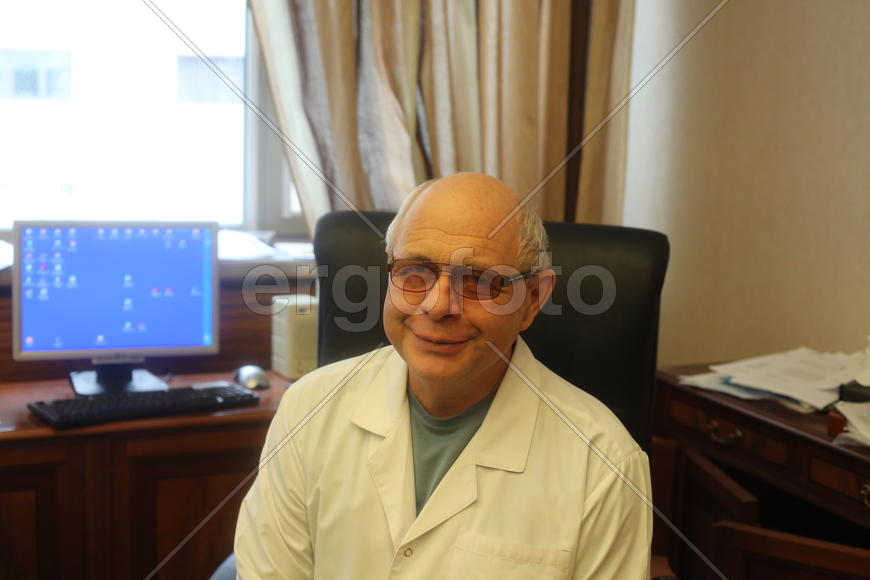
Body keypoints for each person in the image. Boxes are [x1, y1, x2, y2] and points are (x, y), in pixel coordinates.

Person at [234, 173, 652, 578]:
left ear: (532, 299)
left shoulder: (605, 464)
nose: (437, 306)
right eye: (415, 272)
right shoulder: (309, 409)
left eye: (479, 281)